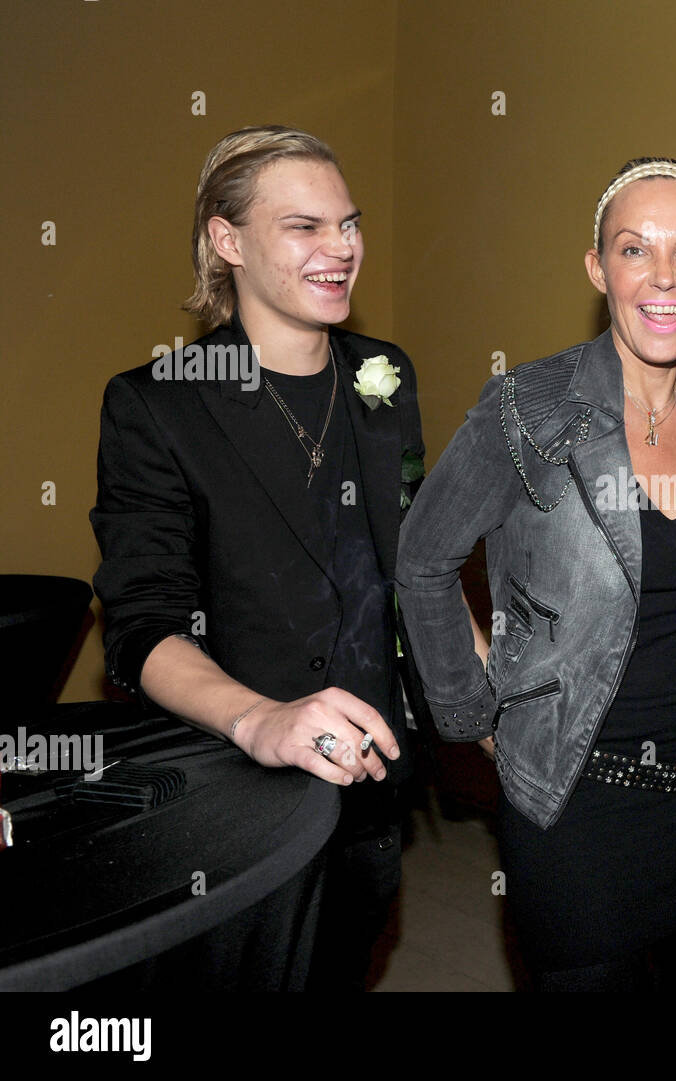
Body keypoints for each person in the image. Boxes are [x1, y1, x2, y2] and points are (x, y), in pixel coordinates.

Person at [396, 158, 676, 991]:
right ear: (598, 269)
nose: (664, 277)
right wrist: (472, 715)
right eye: (635, 250)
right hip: (576, 808)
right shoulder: (526, 406)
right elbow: (422, 558)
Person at [91, 125, 425, 990]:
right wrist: (259, 721)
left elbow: (412, 563)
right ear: (227, 240)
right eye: (305, 227)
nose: (342, 248)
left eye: (348, 223)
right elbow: (141, 625)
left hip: (372, 784)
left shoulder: (386, 376)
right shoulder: (155, 405)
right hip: (232, 795)